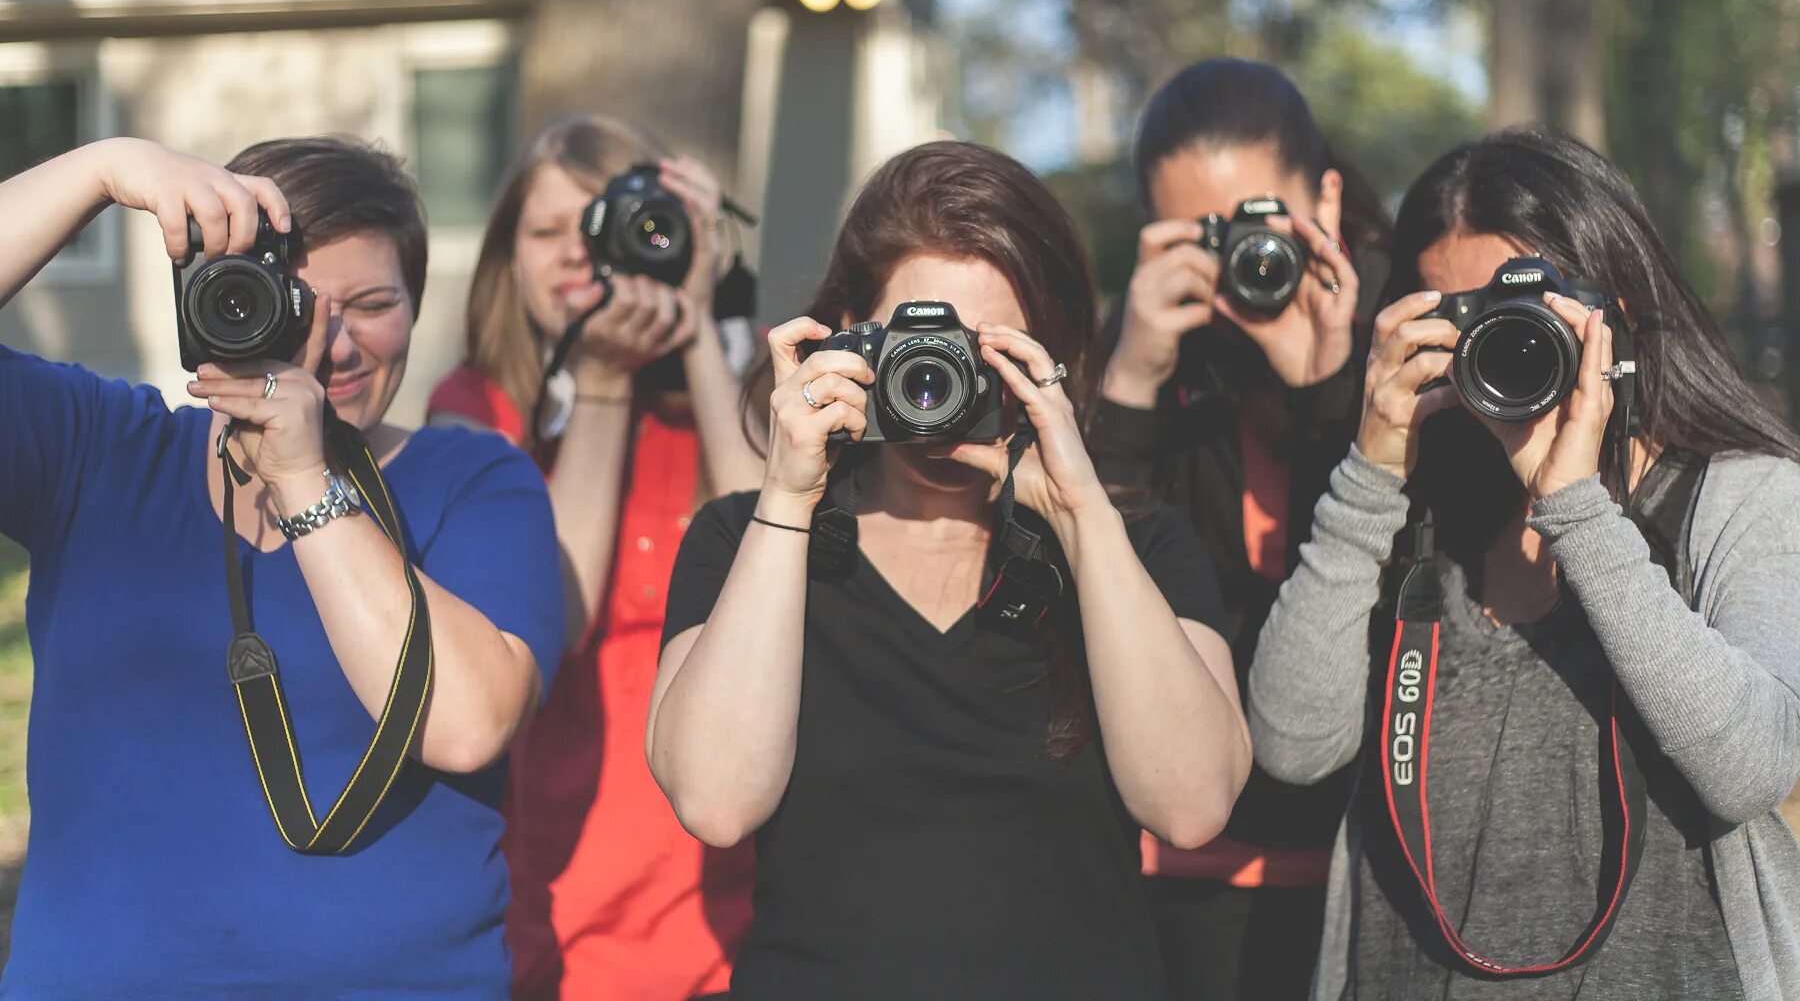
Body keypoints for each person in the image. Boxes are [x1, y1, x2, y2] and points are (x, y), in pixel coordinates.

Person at [647, 140, 1252, 1000]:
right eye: (915, 343)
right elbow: (715, 803)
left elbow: (1192, 807)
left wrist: (1080, 515)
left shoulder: (1135, 545)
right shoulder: (749, 540)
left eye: (981, 349)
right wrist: (787, 492)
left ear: (1047, 353)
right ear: (849, 335)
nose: (939, 378)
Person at [0, 135, 566, 998]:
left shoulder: (474, 479)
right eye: (294, 304)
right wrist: (101, 170)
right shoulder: (101, 450)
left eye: (372, 304)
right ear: (211, 301)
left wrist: (306, 479)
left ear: (416, 307)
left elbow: (465, 725)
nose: (334, 346)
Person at [1249, 125, 1800, 1000]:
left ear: (1620, 310)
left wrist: (1575, 504)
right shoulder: (1415, 513)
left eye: (1528, 308)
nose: (1499, 343)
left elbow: (1751, 768)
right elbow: (1291, 744)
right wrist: (1369, 470)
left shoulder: (1743, 498)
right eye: (1459, 320)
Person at [427, 113, 761, 1000]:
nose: (579, 252)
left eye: (604, 222)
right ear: (507, 262)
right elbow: (556, 619)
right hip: (557, 887)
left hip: (725, 890)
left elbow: (774, 559)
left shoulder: (735, 388)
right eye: (546, 232)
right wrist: (605, 384)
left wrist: (699, 329)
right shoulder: (477, 412)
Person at [1088, 57, 1390, 998]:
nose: (1249, 261)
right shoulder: (1147, 357)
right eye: (1207, 236)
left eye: (1265, 223)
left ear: (1326, 199)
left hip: (1368, 865)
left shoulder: (1399, 339)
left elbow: (1390, 594)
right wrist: (1132, 382)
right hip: (1176, 870)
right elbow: (1089, 585)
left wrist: (1330, 393)